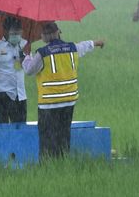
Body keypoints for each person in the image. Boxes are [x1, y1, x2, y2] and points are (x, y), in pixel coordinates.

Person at [22, 22, 104, 159]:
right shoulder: (72, 48)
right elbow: (85, 45)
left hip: (49, 103)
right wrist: (97, 42)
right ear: (59, 32)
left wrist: (26, 56)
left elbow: (30, 70)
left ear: (45, 36)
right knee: (63, 134)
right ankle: (63, 160)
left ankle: (48, 165)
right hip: (69, 101)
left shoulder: (43, 53)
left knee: (48, 137)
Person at [0, 17, 28, 123]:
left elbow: (29, 69)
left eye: (18, 32)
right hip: (2, 94)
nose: (16, 36)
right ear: (6, 31)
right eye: (13, 33)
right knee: (2, 129)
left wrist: (25, 60)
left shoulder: (24, 46)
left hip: (20, 94)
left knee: (20, 129)